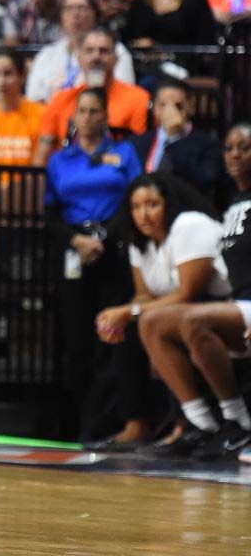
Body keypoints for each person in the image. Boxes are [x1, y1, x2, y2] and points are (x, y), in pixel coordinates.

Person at [90, 173, 228, 449]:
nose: (143, 214)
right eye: (136, 206)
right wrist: (117, 316)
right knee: (128, 329)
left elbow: (190, 292)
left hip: (221, 305)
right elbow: (144, 295)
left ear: (169, 204)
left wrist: (129, 312)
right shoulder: (139, 241)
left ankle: (190, 423)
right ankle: (136, 422)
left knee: (152, 323)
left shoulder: (189, 225)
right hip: (176, 312)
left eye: (152, 204)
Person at [138, 124, 251, 460]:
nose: (234, 156)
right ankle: (202, 424)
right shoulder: (234, 203)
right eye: (229, 148)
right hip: (238, 303)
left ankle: (238, 421)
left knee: (191, 321)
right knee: (152, 323)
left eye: (244, 148)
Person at [44, 87, 141, 439]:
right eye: (81, 111)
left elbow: (135, 196)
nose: (87, 117)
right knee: (76, 338)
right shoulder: (60, 159)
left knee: (112, 334)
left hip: (113, 247)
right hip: (74, 249)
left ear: (105, 116)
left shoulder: (122, 153)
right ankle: (76, 424)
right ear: (74, 116)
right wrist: (77, 240)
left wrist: (104, 238)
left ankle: (112, 420)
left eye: (94, 111)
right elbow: (49, 212)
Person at [34, 29, 150, 163]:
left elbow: (139, 153)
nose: (96, 57)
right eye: (89, 51)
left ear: (115, 59)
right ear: (79, 59)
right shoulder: (60, 99)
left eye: (104, 51)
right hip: (67, 175)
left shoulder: (138, 99)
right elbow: (41, 156)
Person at [25, 0, 135, 103]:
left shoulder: (115, 50)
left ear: (95, 15)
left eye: (82, 8)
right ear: (61, 17)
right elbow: (33, 99)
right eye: (69, 8)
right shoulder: (46, 55)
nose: (75, 14)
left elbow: (125, 95)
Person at [130, 80, 223, 192]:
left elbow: (202, 183)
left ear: (191, 106)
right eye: (163, 105)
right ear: (154, 108)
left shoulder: (208, 145)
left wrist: (174, 137)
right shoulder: (138, 143)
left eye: (178, 106)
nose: (170, 112)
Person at [0, 50, 46, 176]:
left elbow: (40, 167)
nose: (1, 81)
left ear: (22, 76)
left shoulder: (41, 114)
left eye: (8, 73)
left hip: (29, 191)